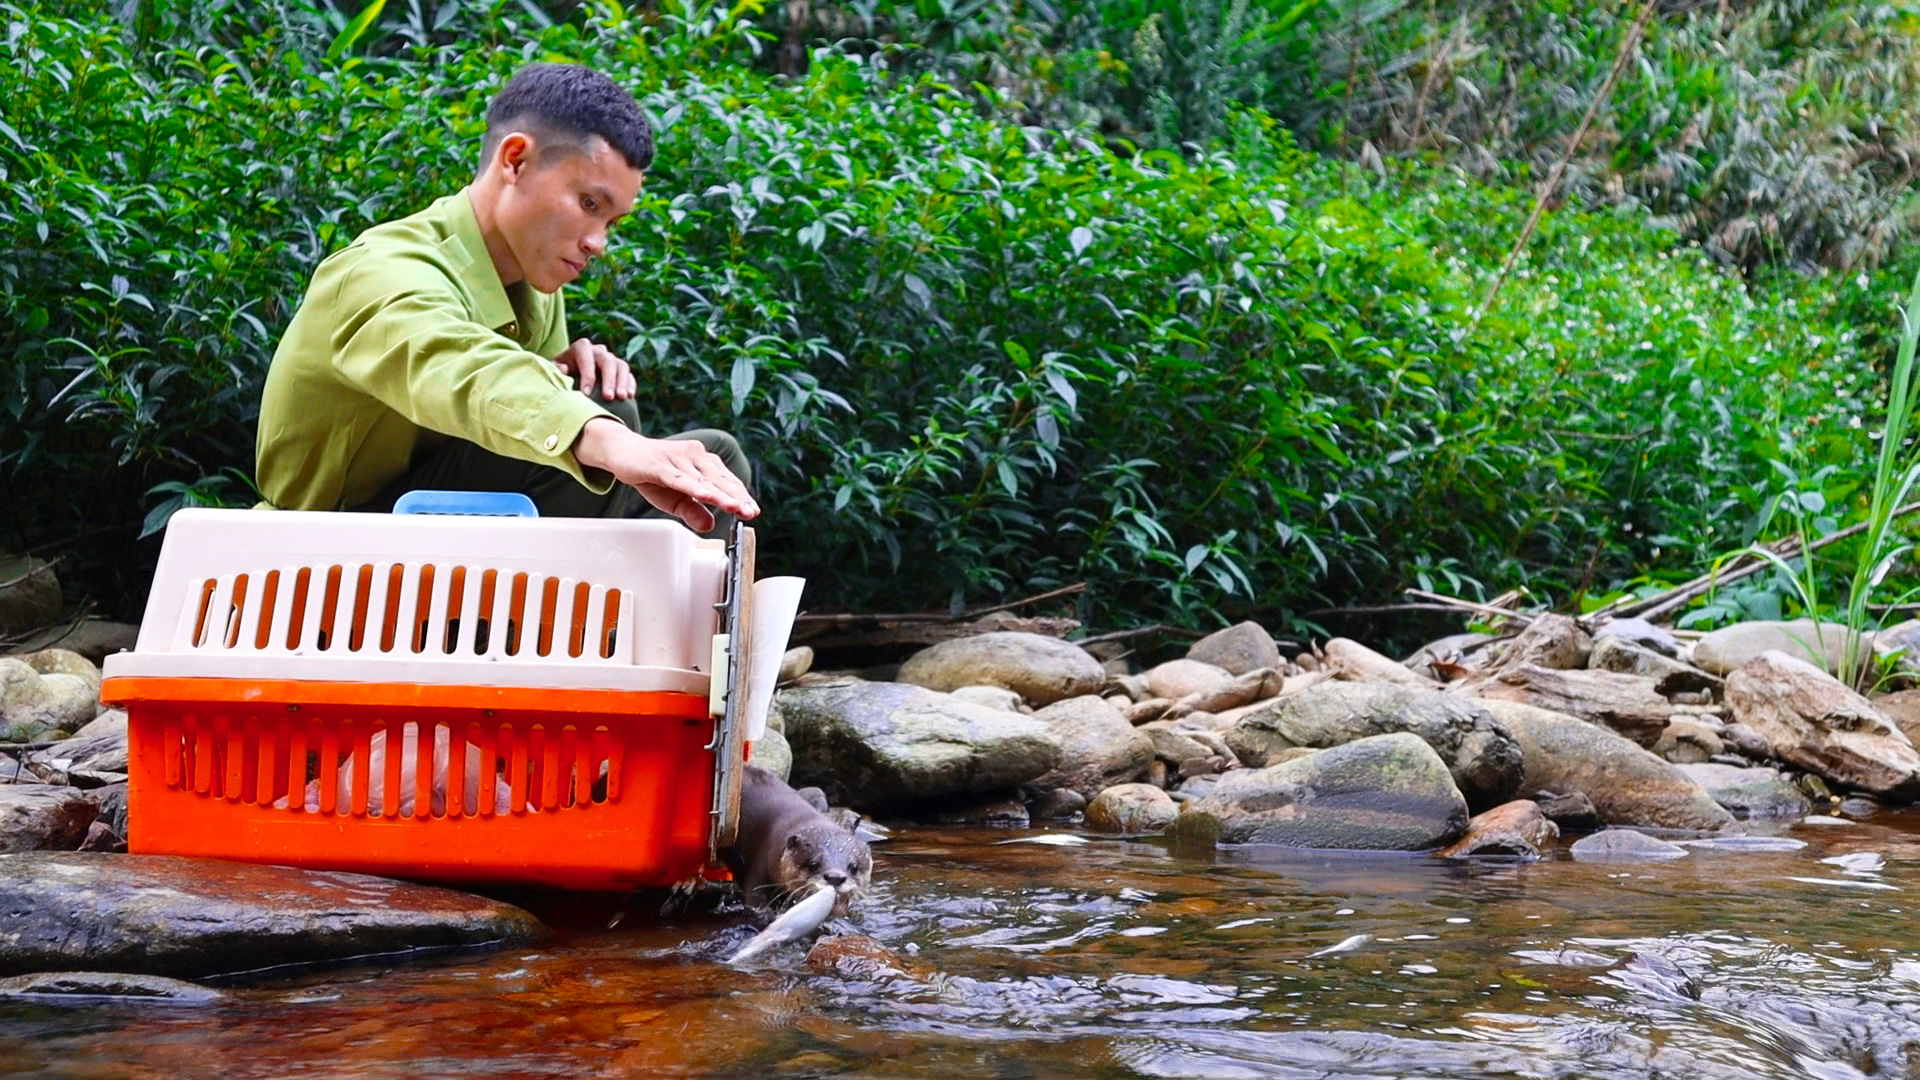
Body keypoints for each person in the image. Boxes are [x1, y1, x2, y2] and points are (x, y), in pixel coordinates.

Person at [254, 62, 756, 536]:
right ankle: (561, 626)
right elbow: (459, 369)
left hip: (453, 519)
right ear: (515, 160)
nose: (597, 242)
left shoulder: (534, 284)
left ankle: (644, 623)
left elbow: (515, 413)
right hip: (332, 542)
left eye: (611, 222)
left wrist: (565, 372)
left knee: (714, 466)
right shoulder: (381, 270)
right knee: (598, 415)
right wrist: (600, 432)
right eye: (588, 205)